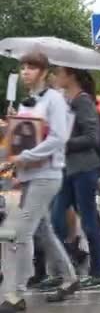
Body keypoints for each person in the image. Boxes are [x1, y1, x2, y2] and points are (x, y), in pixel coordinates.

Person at [1, 52, 79, 312]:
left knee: (18, 234)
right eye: (23, 67)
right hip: (28, 175)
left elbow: (58, 138)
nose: (25, 72)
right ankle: (69, 278)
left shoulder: (55, 100)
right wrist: (13, 132)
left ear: (44, 72)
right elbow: (23, 138)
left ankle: (14, 293)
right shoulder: (27, 103)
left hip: (46, 175)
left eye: (32, 68)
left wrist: (25, 155)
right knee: (43, 231)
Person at [50, 67, 100, 289]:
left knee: (89, 220)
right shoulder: (67, 99)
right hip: (66, 168)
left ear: (71, 75)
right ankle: (67, 267)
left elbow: (93, 138)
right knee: (56, 219)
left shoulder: (83, 101)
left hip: (83, 168)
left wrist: (63, 143)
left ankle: (97, 272)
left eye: (59, 72)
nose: (55, 76)